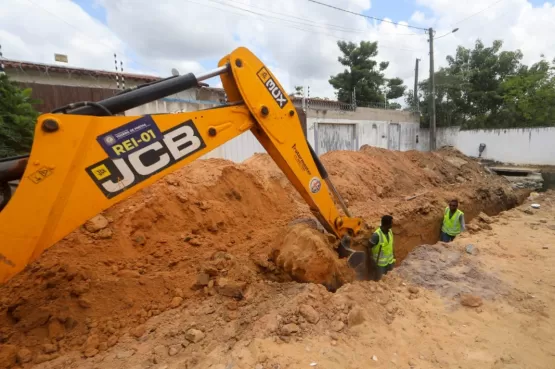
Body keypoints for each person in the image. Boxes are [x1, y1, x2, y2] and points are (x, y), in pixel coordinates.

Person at [368, 215, 395, 281]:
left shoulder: (390, 231)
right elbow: (369, 247)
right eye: (391, 223)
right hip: (380, 264)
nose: (393, 224)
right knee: (380, 281)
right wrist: (371, 259)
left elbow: (390, 245)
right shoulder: (376, 235)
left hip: (389, 262)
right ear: (387, 224)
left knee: (390, 279)